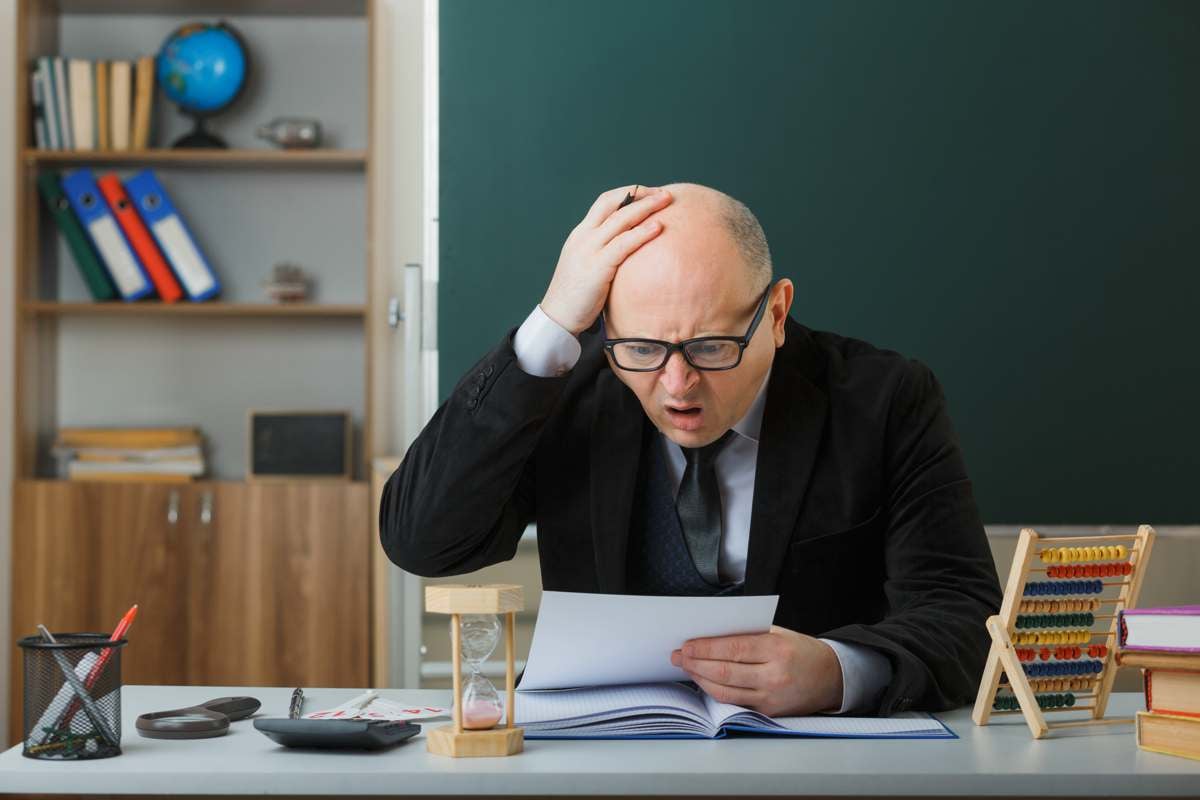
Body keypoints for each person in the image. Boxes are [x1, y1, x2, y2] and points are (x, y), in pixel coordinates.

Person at [380, 182, 1002, 717]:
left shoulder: (885, 399)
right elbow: (422, 540)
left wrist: (839, 671)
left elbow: (963, 615)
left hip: (816, 766)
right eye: (642, 349)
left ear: (778, 315)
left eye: (711, 347)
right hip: (602, 764)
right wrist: (549, 327)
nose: (677, 385)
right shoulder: (566, 391)